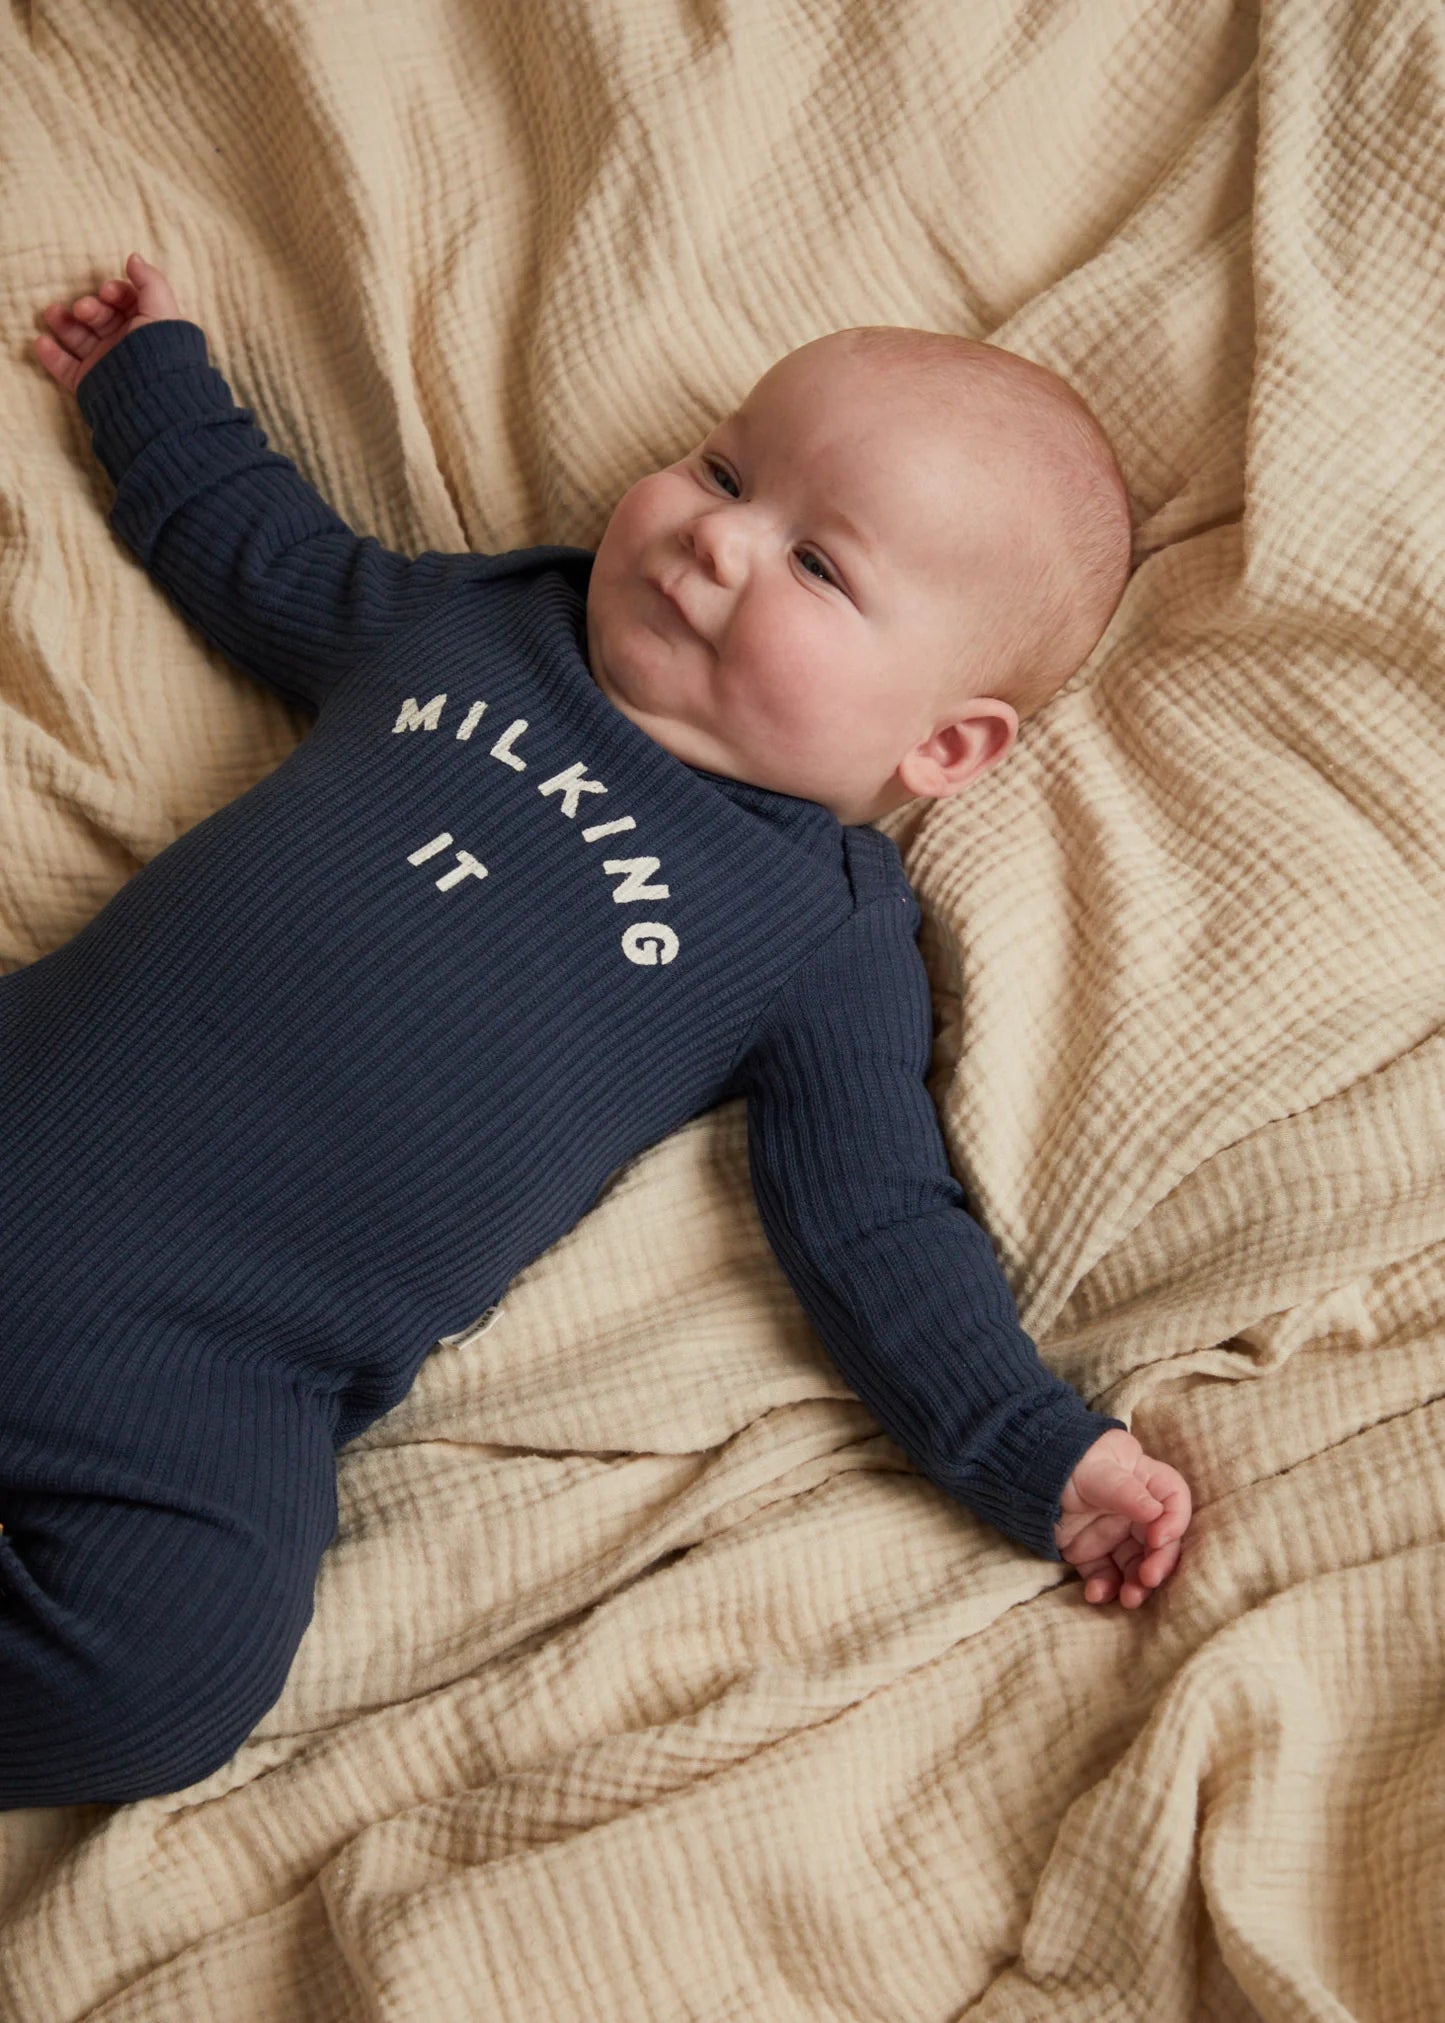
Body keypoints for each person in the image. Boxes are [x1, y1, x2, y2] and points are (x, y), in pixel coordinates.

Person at [9, 254, 1191, 1808]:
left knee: (167, 1683)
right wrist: (149, 386)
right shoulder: (487, 624)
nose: (716, 536)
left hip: (213, 1370)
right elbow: (266, 555)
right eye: (722, 471)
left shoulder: (822, 932)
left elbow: (877, 1224)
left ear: (945, 745)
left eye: (817, 566)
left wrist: (1032, 1450)